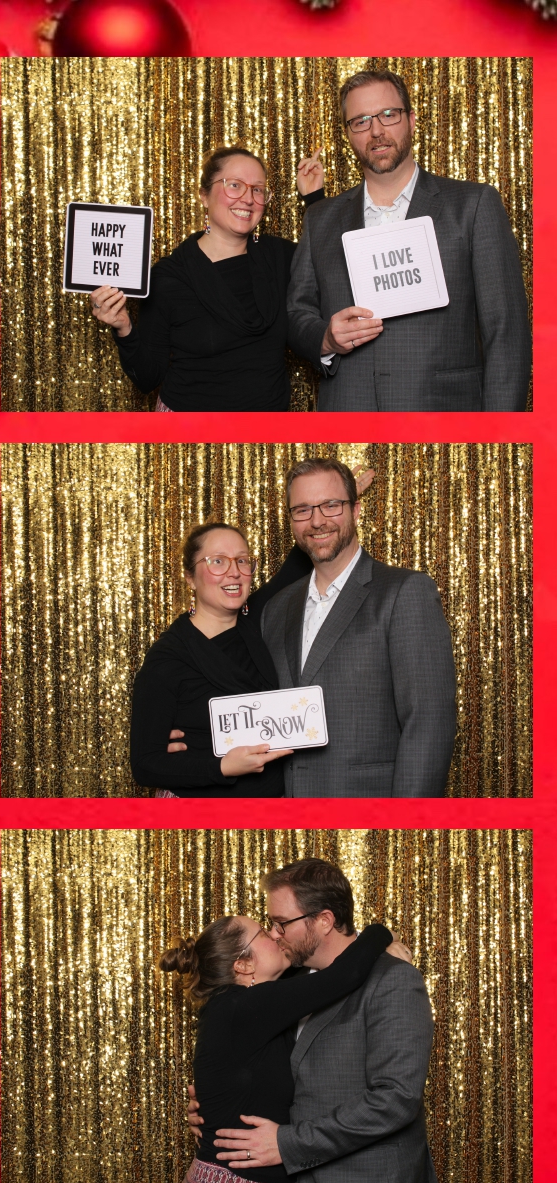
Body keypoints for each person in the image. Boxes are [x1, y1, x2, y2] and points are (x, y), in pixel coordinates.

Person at [287, 66, 531, 411]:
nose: (376, 131)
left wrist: (500, 430)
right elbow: (296, 312)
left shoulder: (473, 205)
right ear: (348, 134)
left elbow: (506, 333)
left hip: (443, 415)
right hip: (349, 412)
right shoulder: (321, 218)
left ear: (412, 121)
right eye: (361, 121)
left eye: (389, 114)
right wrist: (324, 338)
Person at [208, 859, 437, 1183]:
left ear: (324, 921)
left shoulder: (392, 979)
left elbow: (396, 1099)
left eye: (281, 923)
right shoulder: (284, 984)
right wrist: (215, 1104)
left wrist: (289, 1144)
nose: (274, 934)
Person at [161, 902, 406, 1183]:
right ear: (243, 964)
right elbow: (343, 975)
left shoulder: (238, 1006)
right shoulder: (244, 1006)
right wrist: (382, 933)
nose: (276, 935)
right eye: (264, 933)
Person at [260, 456, 457, 797]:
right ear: (291, 520)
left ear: (356, 510)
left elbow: (428, 722)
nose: (317, 520)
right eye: (303, 510)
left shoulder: (404, 592)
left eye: (331, 505)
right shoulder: (276, 610)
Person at [89, 144, 325, 412]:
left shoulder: (280, 256)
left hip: (268, 430)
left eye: (258, 189)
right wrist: (123, 328)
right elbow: (147, 378)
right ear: (204, 196)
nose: (248, 198)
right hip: (190, 429)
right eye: (234, 185)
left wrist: (314, 198)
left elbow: (331, 270)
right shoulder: (169, 277)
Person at [130, 520, 295, 798]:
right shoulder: (167, 658)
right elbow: (145, 765)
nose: (234, 572)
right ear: (190, 577)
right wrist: (221, 767)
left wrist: (331, 509)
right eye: (217, 561)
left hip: (271, 810)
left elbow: (302, 558)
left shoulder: (261, 620)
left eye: (242, 560)